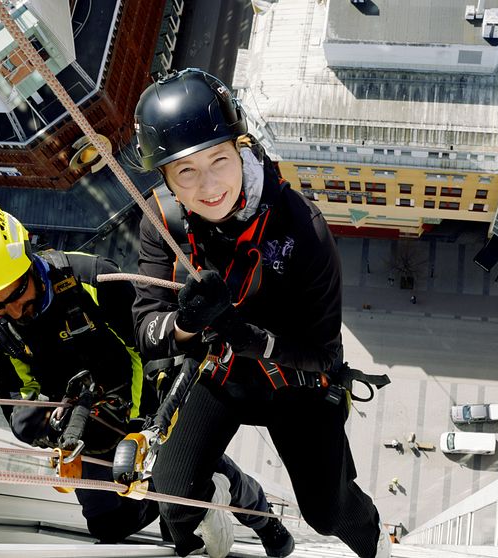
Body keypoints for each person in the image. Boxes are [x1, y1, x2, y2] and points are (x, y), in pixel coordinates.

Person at [132, 69, 390, 558]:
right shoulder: (163, 223)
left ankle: (375, 545)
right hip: (223, 375)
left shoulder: (301, 229)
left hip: (296, 382)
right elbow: (148, 331)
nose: (209, 186)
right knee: (171, 496)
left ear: (241, 148)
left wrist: (251, 338)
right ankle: (216, 513)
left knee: (327, 510)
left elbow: (321, 353)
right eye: (185, 171)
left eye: (219, 161)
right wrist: (188, 321)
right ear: (165, 178)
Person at [0, 202, 292, 555]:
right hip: (86, 425)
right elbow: (19, 392)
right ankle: (172, 499)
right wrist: (43, 423)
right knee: (109, 525)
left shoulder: (91, 281)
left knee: (184, 498)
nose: (13, 311)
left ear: (29, 259)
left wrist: (141, 424)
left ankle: (260, 518)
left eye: (16, 293)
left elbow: (144, 348)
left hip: (144, 403)